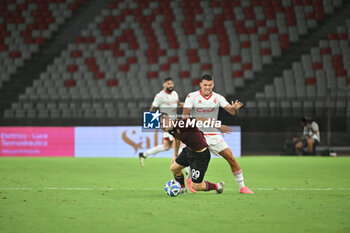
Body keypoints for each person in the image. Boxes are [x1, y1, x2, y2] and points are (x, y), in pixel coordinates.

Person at [182, 74, 253, 194]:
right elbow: (185, 116)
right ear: (200, 84)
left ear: (213, 85)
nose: (207, 87)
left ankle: (242, 187)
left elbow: (231, 112)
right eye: (205, 85)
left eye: (210, 85)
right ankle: (187, 181)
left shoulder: (218, 97)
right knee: (186, 161)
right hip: (197, 135)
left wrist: (234, 109)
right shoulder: (192, 96)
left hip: (213, 135)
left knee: (230, 157)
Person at [160, 112, 231, 194]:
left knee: (196, 186)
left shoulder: (183, 123)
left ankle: (218, 186)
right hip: (188, 151)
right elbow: (176, 138)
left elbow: (201, 119)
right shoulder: (169, 130)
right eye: (160, 125)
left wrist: (218, 126)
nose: (162, 127)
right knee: (174, 169)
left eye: (162, 124)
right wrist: (175, 155)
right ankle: (183, 190)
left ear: (168, 120)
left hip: (201, 156)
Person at [139, 77, 182, 166]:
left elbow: (177, 105)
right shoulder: (160, 96)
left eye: (171, 83)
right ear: (164, 85)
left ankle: (144, 154)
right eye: (168, 84)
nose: (170, 85)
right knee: (180, 144)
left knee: (166, 146)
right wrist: (152, 123)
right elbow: (153, 109)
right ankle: (186, 170)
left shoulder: (175, 93)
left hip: (174, 122)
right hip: (167, 123)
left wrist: (187, 105)